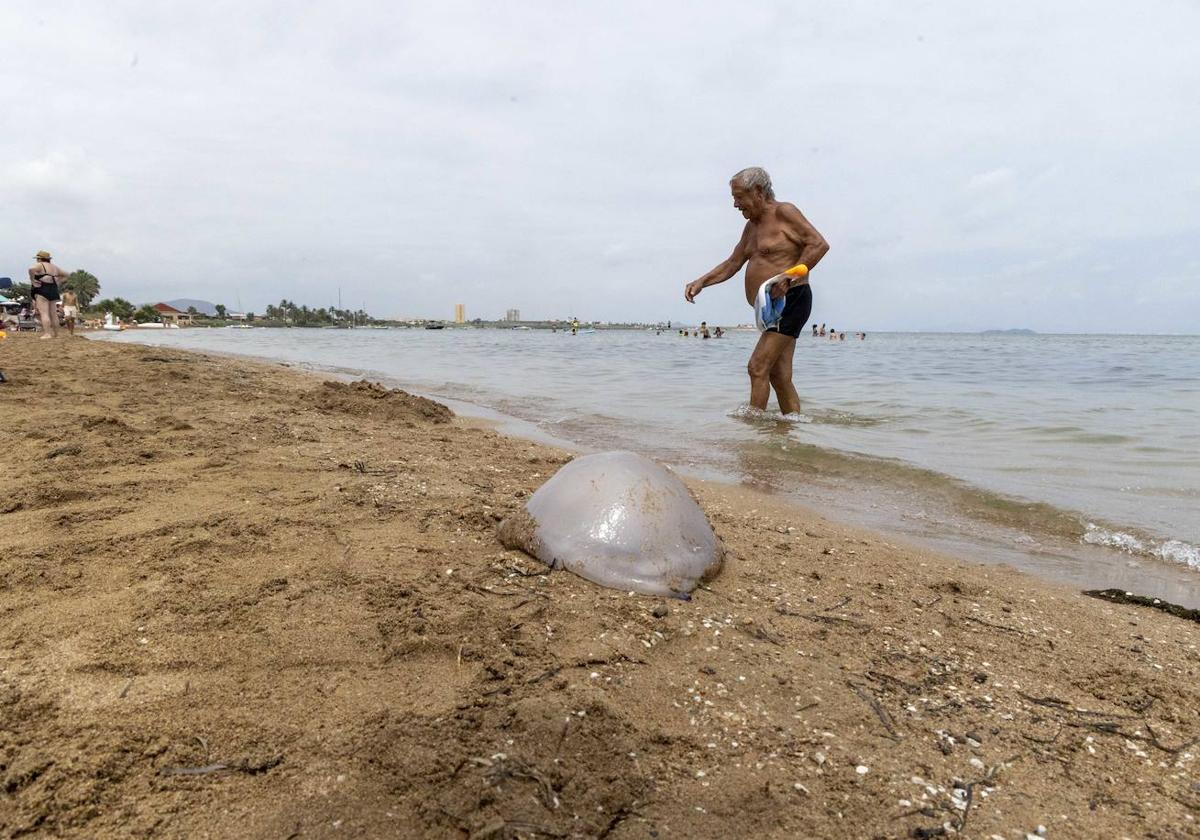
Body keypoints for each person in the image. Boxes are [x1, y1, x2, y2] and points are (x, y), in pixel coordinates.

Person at [684, 168, 828, 414]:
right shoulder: (752, 227)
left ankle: (755, 432)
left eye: (739, 197)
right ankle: (792, 429)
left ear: (758, 192)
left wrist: (789, 277)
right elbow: (733, 263)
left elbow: (819, 244)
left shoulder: (785, 212)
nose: (735, 204)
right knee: (779, 376)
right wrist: (701, 281)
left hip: (791, 299)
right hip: (770, 309)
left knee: (757, 366)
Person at [28, 250, 67, 339]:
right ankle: (57, 334)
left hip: (42, 289)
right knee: (53, 313)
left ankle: (47, 334)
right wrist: (58, 281)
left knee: (44, 313)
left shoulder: (40, 265)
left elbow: (31, 269)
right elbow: (66, 274)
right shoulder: (55, 267)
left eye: (37, 258)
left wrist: (32, 280)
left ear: (39, 259)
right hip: (53, 289)